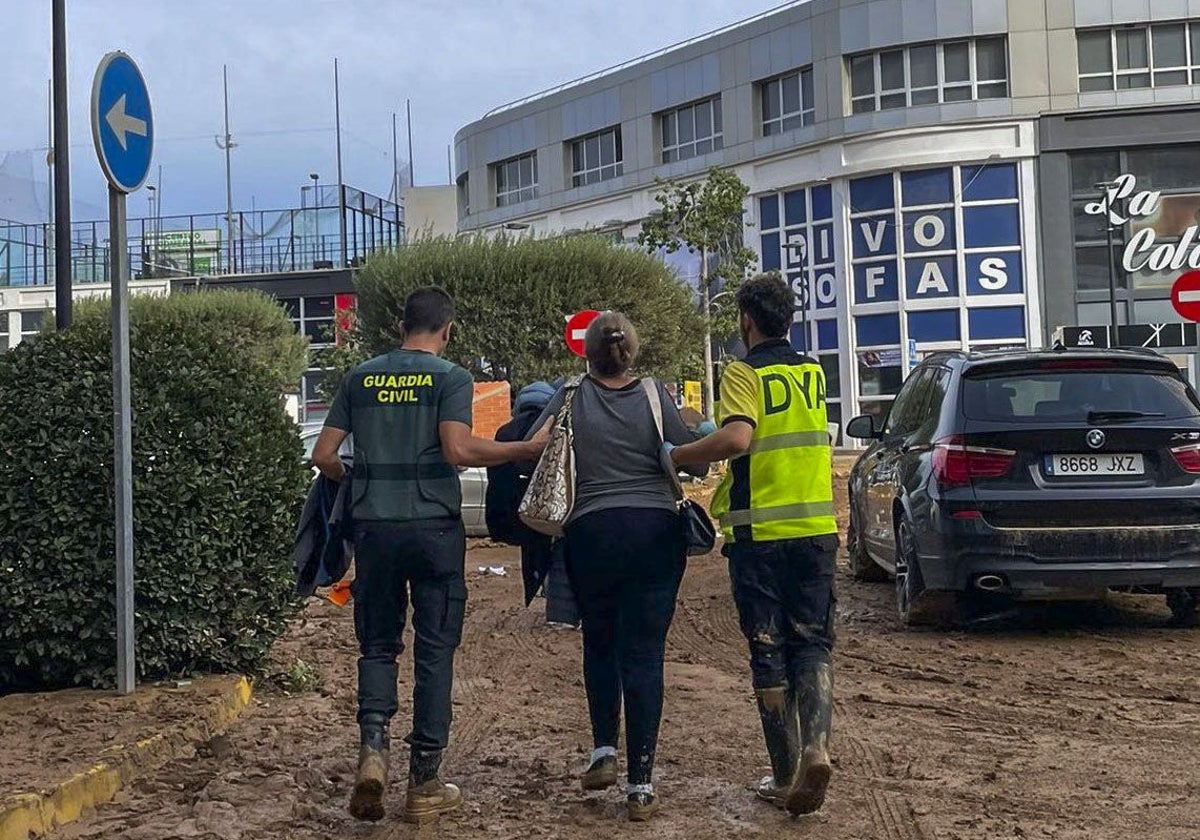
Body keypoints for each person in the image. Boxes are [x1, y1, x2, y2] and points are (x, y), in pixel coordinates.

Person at [312, 286, 546, 825]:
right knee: (435, 651)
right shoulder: (451, 378)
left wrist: (360, 484)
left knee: (377, 645)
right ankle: (425, 781)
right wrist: (523, 449)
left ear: (401, 326)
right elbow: (458, 449)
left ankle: (374, 748)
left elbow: (324, 455)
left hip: (374, 528)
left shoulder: (360, 376)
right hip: (434, 531)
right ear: (447, 330)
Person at [668, 274, 839, 816]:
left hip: (760, 536)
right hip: (816, 530)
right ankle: (817, 747)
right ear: (788, 319)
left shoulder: (743, 372)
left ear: (746, 320)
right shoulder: (812, 372)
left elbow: (738, 438)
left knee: (768, 651)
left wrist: (678, 454)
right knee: (812, 643)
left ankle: (788, 774)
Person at [530, 311, 707, 822]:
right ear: (632, 351)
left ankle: (603, 749)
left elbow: (538, 451)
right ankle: (642, 785)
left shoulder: (568, 396)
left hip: (592, 533)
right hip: (654, 533)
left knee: (600, 641)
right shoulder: (655, 395)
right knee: (645, 655)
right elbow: (691, 461)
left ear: (586, 354)